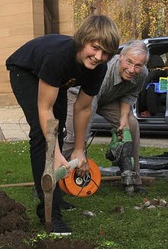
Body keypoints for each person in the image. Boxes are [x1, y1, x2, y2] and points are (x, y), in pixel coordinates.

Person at [6, 15, 120, 235]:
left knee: (59, 131)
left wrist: (79, 149)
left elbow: (83, 108)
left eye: (106, 53)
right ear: (83, 40)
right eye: (95, 48)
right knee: (42, 135)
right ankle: (50, 213)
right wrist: (56, 152)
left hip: (56, 79)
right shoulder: (57, 57)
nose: (98, 57)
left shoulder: (99, 68)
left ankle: (55, 196)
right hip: (26, 72)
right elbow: (45, 110)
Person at [62, 40, 149, 192]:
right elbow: (87, 109)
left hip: (107, 98)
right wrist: (81, 149)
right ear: (120, 56)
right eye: (129, 62)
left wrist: (123, 116)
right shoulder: (106, 71)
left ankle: (133, 178)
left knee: (131, 124)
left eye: (138, 65)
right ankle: (49, 181)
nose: (131, 69)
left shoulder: (142, 73)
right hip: (79, 96)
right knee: (74, 137)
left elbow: (131, 93)